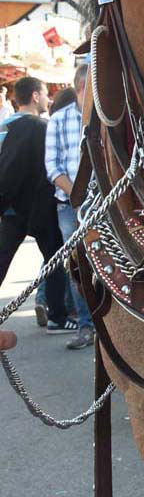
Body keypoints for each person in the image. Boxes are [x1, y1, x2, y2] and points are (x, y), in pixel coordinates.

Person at [0, 76, 75, 332]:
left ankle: (56, 313)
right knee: (54, 259)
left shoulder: (5, 126)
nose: (47, 99)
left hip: (11, 209)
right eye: (44, 94)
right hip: (35, 208)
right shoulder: (36, 127)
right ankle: (57, 315)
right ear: (34, 96)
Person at [45, 65, 95, 349]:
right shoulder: (58, 121)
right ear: (79, 88)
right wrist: (78, 196)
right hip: (70, 206)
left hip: (102, 206)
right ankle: (86, 326)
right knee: (77, 267)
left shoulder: (101, 118)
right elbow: (52, 167)